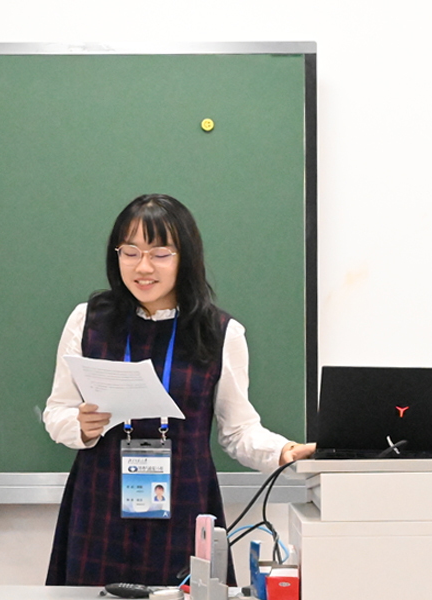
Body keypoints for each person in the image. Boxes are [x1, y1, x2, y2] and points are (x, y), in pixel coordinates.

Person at [43, 193, 315, 587]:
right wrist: (80, 427)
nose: (143, 267)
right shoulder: (89, 321)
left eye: (160, 254)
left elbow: (238, 430)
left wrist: (283, 452)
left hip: (186, 509)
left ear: (185, 257)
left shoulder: (220, 333)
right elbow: (57, 412)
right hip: (99, 506)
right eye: (130, 252)